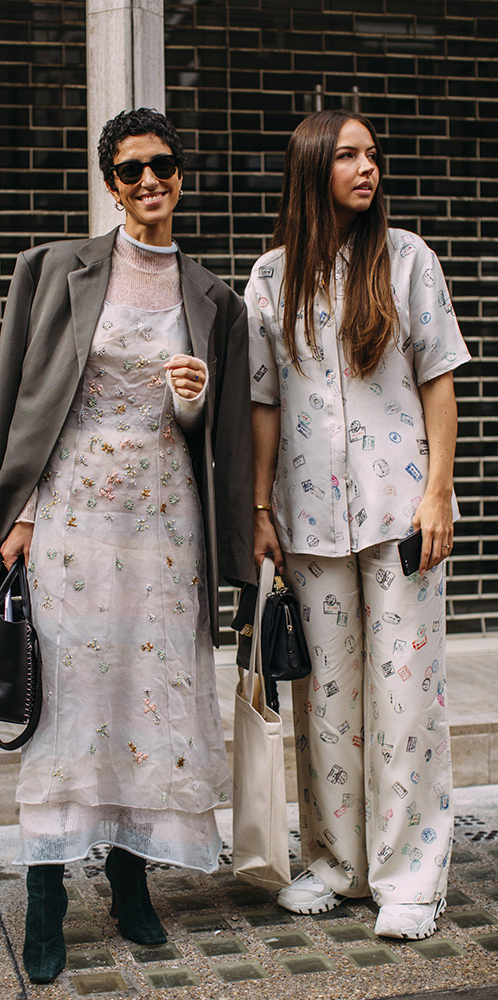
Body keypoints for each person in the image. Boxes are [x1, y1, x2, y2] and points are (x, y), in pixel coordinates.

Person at [0, 107, 254, 983]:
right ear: (110, 181)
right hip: (73, 520)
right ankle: (45, 898)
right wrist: (16, 513)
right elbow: (20, 400)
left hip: (165, 529)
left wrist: (193, 401)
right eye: (131, 170)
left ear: (179, 173)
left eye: (162, 164)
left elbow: (220, 435)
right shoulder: (54, 270)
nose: (149, 181)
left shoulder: (215, 299)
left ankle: (131, 887)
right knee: (69, 702)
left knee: (146, 701)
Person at [247, 109, 470, 941]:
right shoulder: (270, 278)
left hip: (400, 511)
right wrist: (260, 508)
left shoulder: (407, 258)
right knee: (328, 703)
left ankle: (409, 877)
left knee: (406, 700)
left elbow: (440, 380)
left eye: (371, 154)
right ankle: (335, 866)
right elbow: (263, 403)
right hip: (308, 523)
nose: (366, 168)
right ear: (312, 169)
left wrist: (437, 492)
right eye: (346, 156)